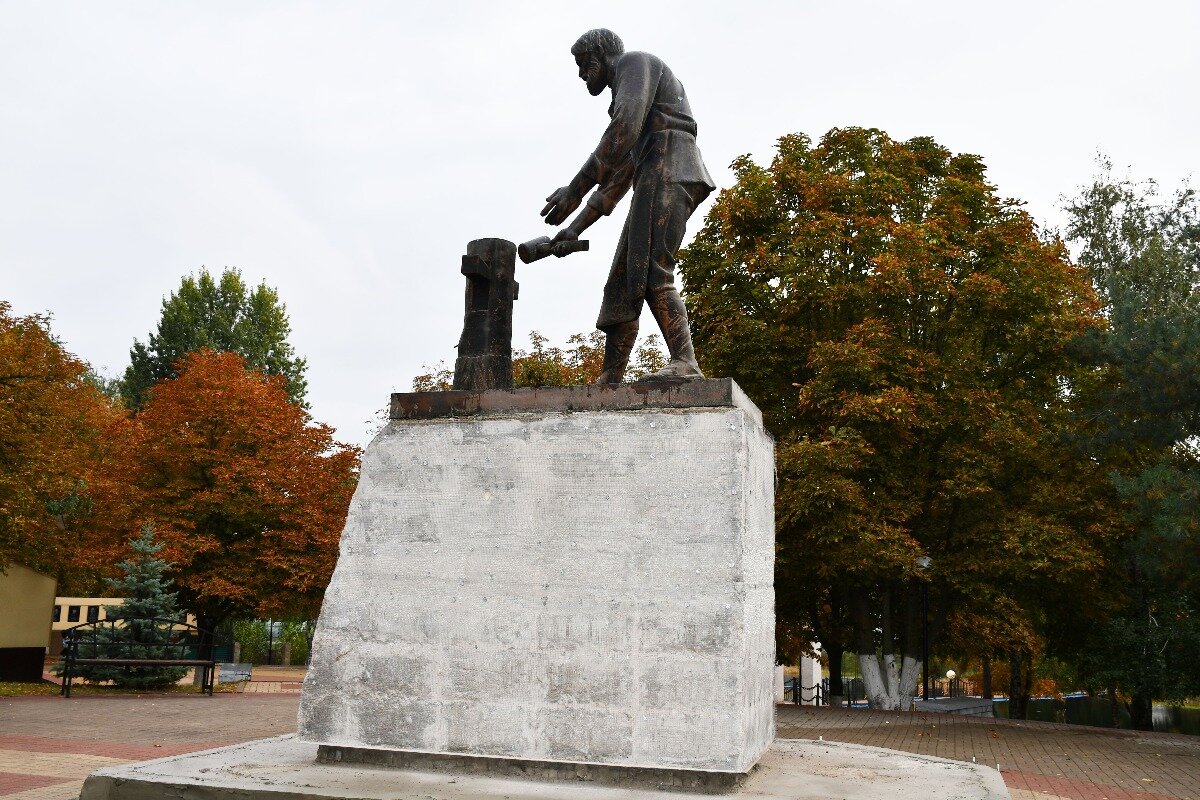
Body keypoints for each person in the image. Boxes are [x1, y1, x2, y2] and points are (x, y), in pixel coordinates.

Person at [541, 29, 716, 383]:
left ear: (602, 52)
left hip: (670, 168)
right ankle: (611, 377)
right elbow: (617, 179)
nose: (580, 74)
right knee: (624, 278)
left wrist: (574, 190)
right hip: (655, 173)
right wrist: (572, 229)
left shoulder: (635, 63)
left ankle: (686, 363)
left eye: (583, 63)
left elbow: (623, 127)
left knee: (652, 270)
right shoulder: (633, 107)